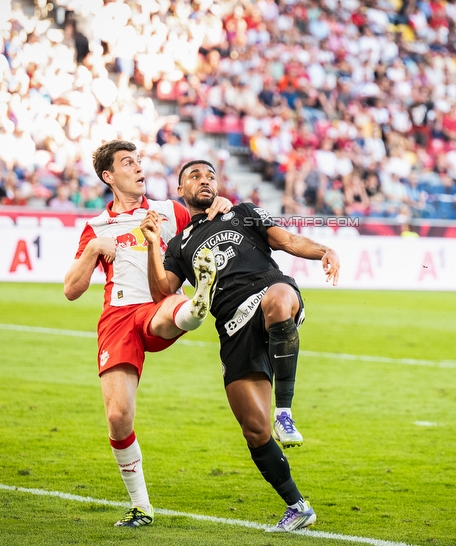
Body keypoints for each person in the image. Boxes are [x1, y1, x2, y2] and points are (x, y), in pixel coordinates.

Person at [143, 159, 340, 532]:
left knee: (280, 299)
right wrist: (154, 245)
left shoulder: (243, 213)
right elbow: (161, 292)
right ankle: (298, 507)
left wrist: (322, 250)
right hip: (233, 327)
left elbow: (286, 240)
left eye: (210, 175)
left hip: (268, 291)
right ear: (181, 191)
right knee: (254, 430)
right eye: (194, 176)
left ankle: (285, 410)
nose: (205, 180)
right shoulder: (180, 244)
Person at [63, 140, 229, 528]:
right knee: (118, 416)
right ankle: (141, 506)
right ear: (109, 176)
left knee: (172, 306)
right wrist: (93, 252)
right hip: (117, 317)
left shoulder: (170, 212)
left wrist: (222, 208)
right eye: (128, 163)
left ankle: (195, 307)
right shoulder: (96, 227)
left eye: (140, 161)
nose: (139, 168)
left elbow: (214, 218)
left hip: (157, 305)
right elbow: (71, 289)